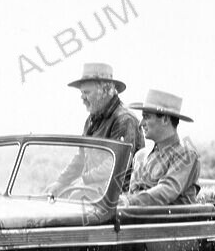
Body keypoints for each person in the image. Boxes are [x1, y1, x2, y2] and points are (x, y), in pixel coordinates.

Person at [46, 62, 144, 196]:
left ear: (104, 91)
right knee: (52, 196)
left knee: (74, 197)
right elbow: (81, 157)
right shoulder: (92, 120)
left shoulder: (124, 120)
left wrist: (85, 180)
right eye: (81, 93)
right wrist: (60, 182)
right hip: (94, 190)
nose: (82, 98)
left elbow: (118, 164)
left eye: (86, 92)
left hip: (116, 196)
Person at [119, 89, 200, 206]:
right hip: (137, 221)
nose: (141, 123)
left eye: (146, 117)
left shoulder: (187, 157)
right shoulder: (140, 156)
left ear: (165, 119)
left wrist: (129, 201)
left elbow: (166, 191)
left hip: (171, 223)